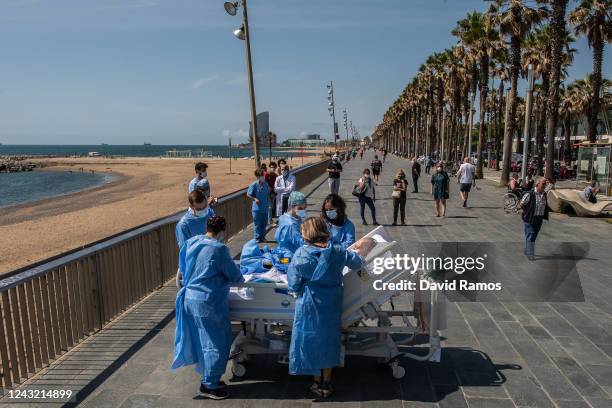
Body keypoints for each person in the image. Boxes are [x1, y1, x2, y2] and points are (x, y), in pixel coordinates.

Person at [288, 217, 364, 398]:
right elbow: (357, 262)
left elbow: (293, 281)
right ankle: (327, 380)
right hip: (331, 299)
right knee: (329, 338)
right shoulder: (337, 251)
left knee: (311, 336)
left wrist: (297, 290)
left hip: (310, 300)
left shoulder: (301, 254)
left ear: (307, 233)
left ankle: (315, 380)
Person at [171, 216, 243, 400]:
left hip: (191, 298)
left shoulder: (192, 242)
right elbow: (233, 274)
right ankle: (208, 385)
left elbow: (184, 266)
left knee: (204, 341)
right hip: (207, 302)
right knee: (216, 342)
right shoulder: (218, 249)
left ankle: (210, 377)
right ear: (222, 231)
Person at [519, 177, 549, 260]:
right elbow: (522, 204)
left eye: (545, 184)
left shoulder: (544, 194)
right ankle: (530, 253)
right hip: (529, 218)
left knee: (533, 236)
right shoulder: (530, 194)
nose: (544, 186)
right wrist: (526, 211)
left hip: (539, 218)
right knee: (531, 234)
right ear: (537, 184)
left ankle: (527, 250)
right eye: (543, 184)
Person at [247, 169, 269, 242]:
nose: (263, 177)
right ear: (257, 177)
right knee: (257, 224)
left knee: (264, 223)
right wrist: (255, 198)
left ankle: (263, 237)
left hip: (265, 207)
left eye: (263, 175)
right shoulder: (254, 185)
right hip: (257, 209)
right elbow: (248, 194)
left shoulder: (266, 184)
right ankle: (257, 238)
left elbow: (267, 194)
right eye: (261, 176)